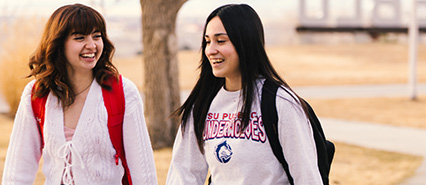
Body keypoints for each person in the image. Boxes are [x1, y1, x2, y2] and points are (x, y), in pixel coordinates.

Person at [166, 4, 322, 185]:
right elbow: (184, 174)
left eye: (221, 41)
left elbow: (307, 177)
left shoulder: (281, 103)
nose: (210, 50)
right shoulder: (201, 105)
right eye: (208, 41)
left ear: (245, 42)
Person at [1, 4, 157, 185]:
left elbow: (143, 173)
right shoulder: (37, 94)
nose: (91, 45)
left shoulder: (123, 92)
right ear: (59, 43)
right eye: (80, 37)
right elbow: (18, 171)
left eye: (97, 36)